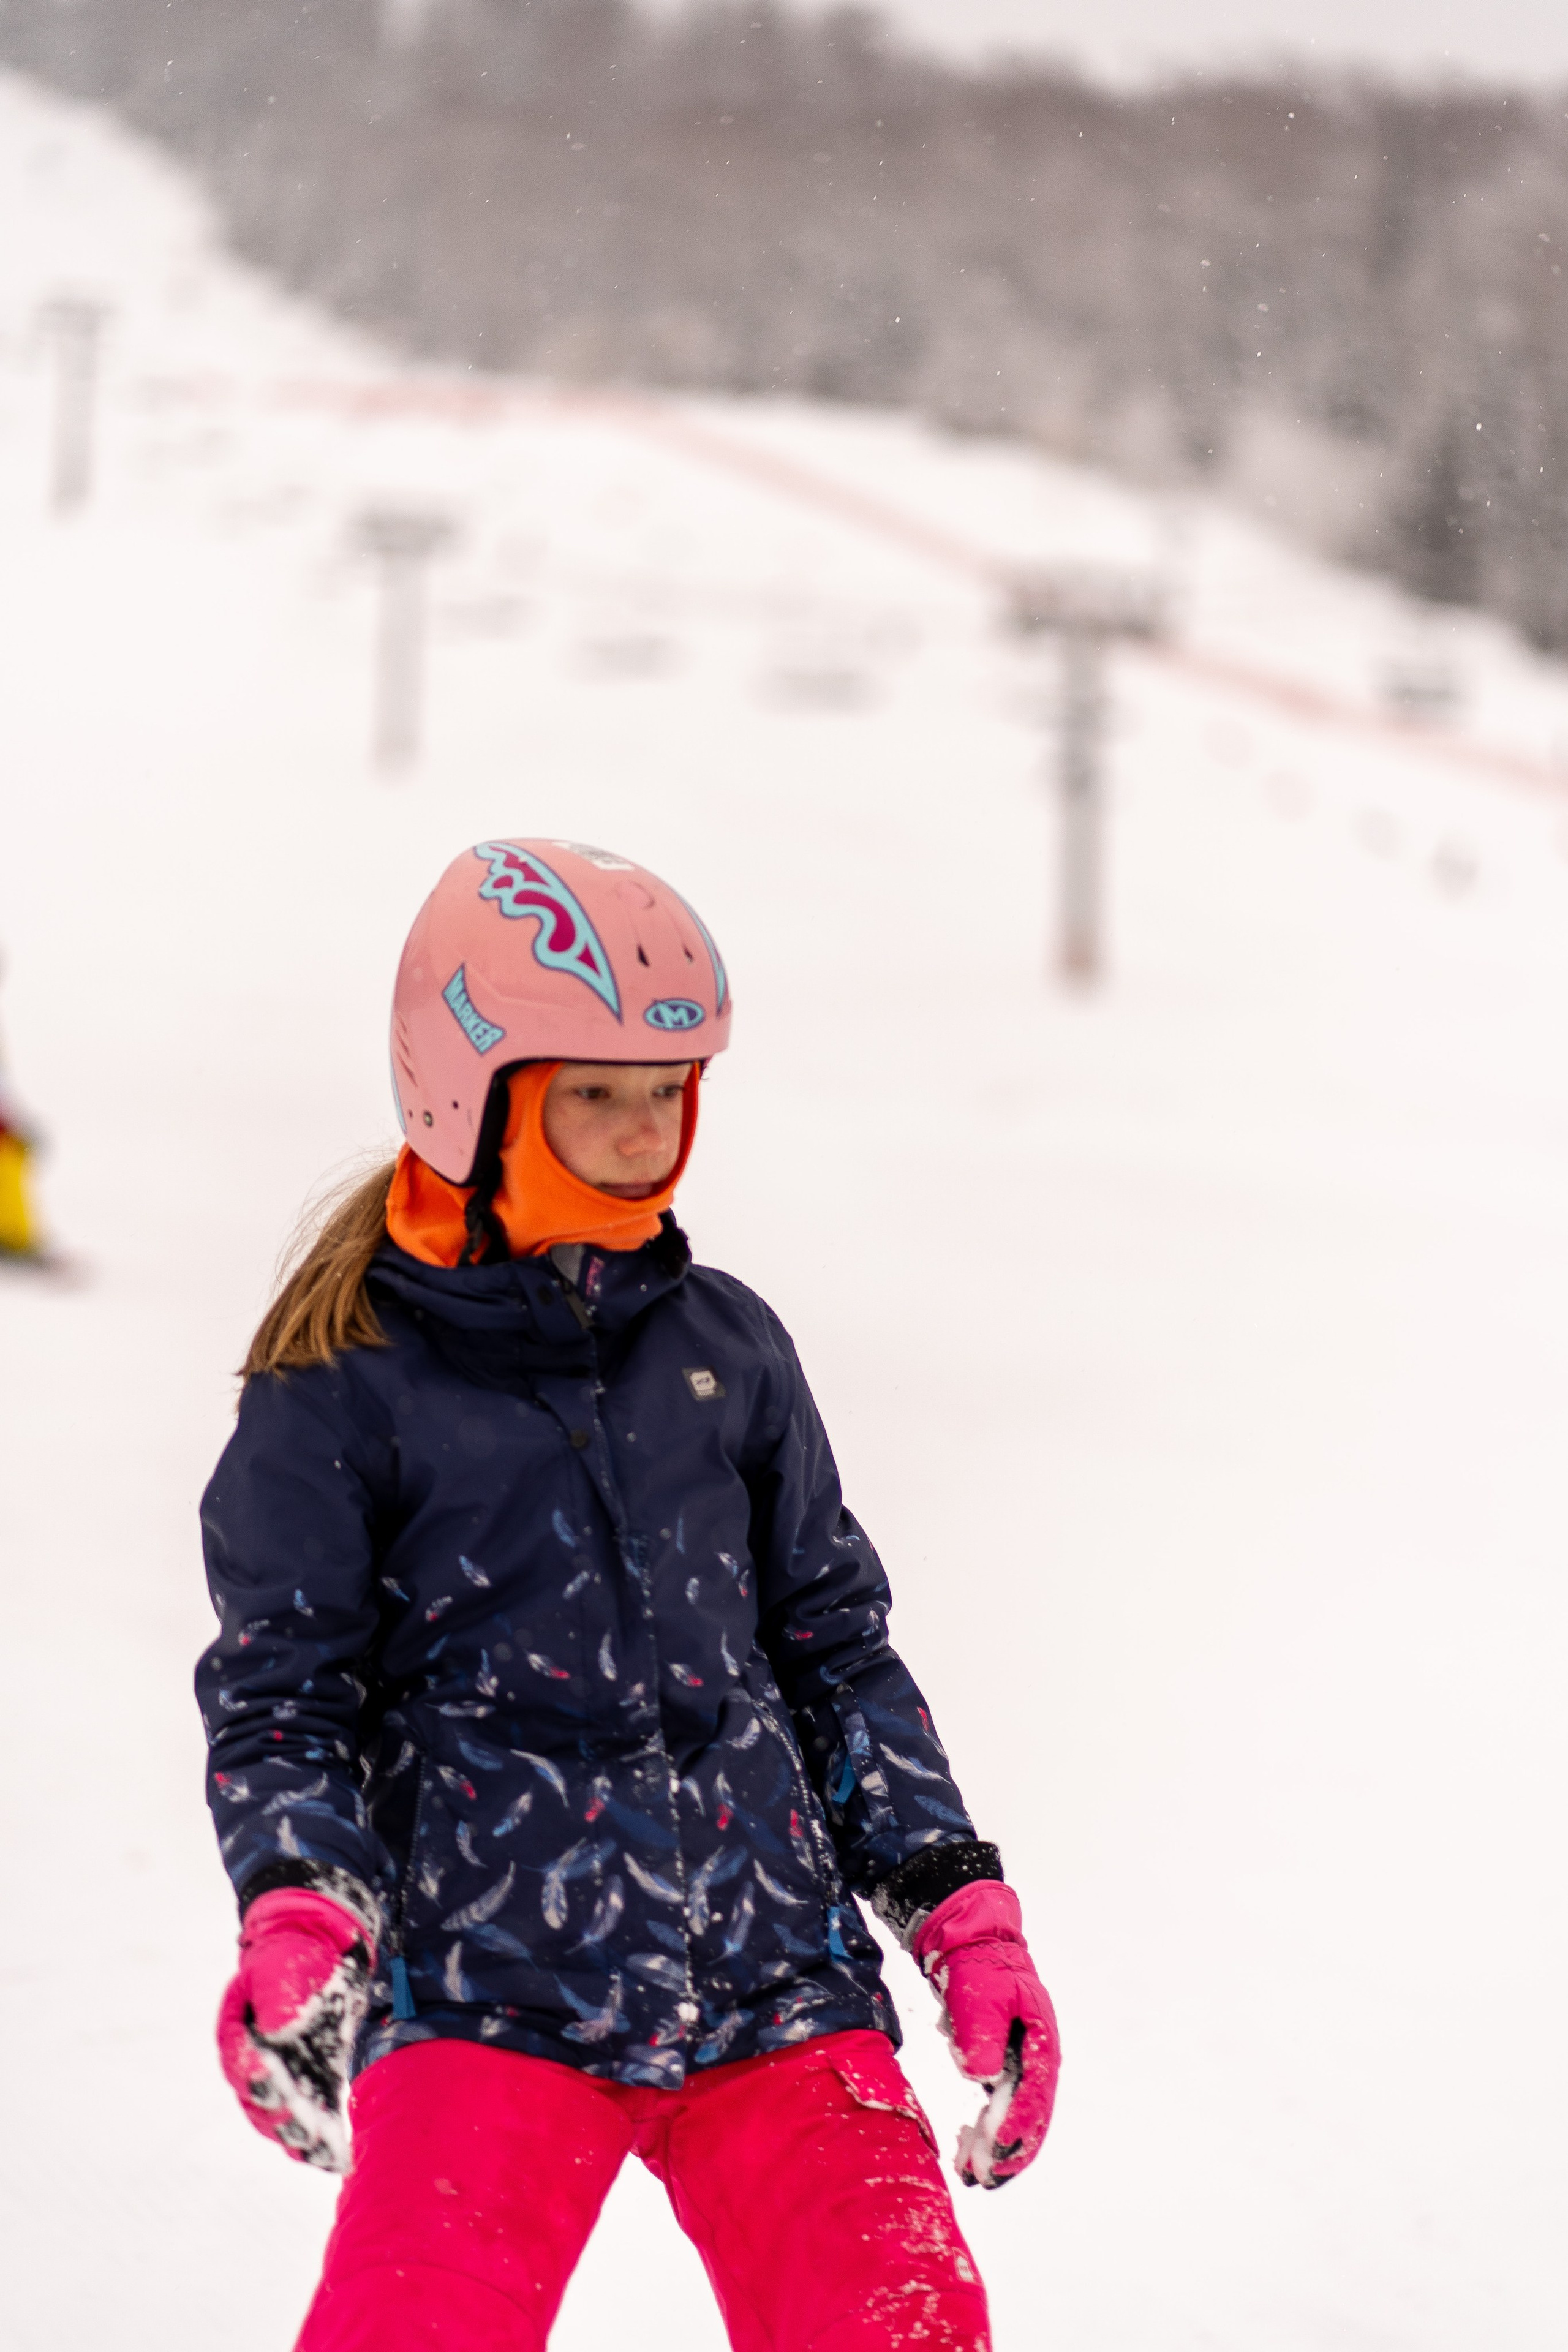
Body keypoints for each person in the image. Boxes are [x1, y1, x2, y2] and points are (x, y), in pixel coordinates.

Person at [197, 838, 1060, 2352]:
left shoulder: (726, 1348)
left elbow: (834, 1652)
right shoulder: (343, 1384)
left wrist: (959, 1909)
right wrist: (301, 1902)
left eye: (668, 1088)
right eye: (593, 1090)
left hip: (776, 1982)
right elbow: (286, 1695)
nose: (643, 1128)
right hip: (486, 1982)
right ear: (468, 1092)